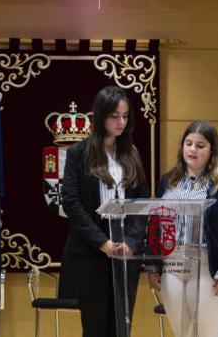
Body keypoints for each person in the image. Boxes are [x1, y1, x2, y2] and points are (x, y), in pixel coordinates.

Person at [62, 86, 149, 337]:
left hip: (126, 247)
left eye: (125, 116)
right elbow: (71, 202)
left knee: (121, 326)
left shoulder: (131, 154)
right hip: (91, 248)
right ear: (100, 117)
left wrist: (132, 241)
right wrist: (102, 242)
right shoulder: (78, 153)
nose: (121, 122)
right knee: (95, 325)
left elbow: (142, 203)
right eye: (114, 116)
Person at [149, 120, 218, 337]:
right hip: (172, 264)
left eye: (200, 145)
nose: (192, 149)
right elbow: (157, 223)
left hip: (207, 266)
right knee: (182, 332)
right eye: (188, 143)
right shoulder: (168, 180)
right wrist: (153, 264)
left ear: (212, 150)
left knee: (209, 332)